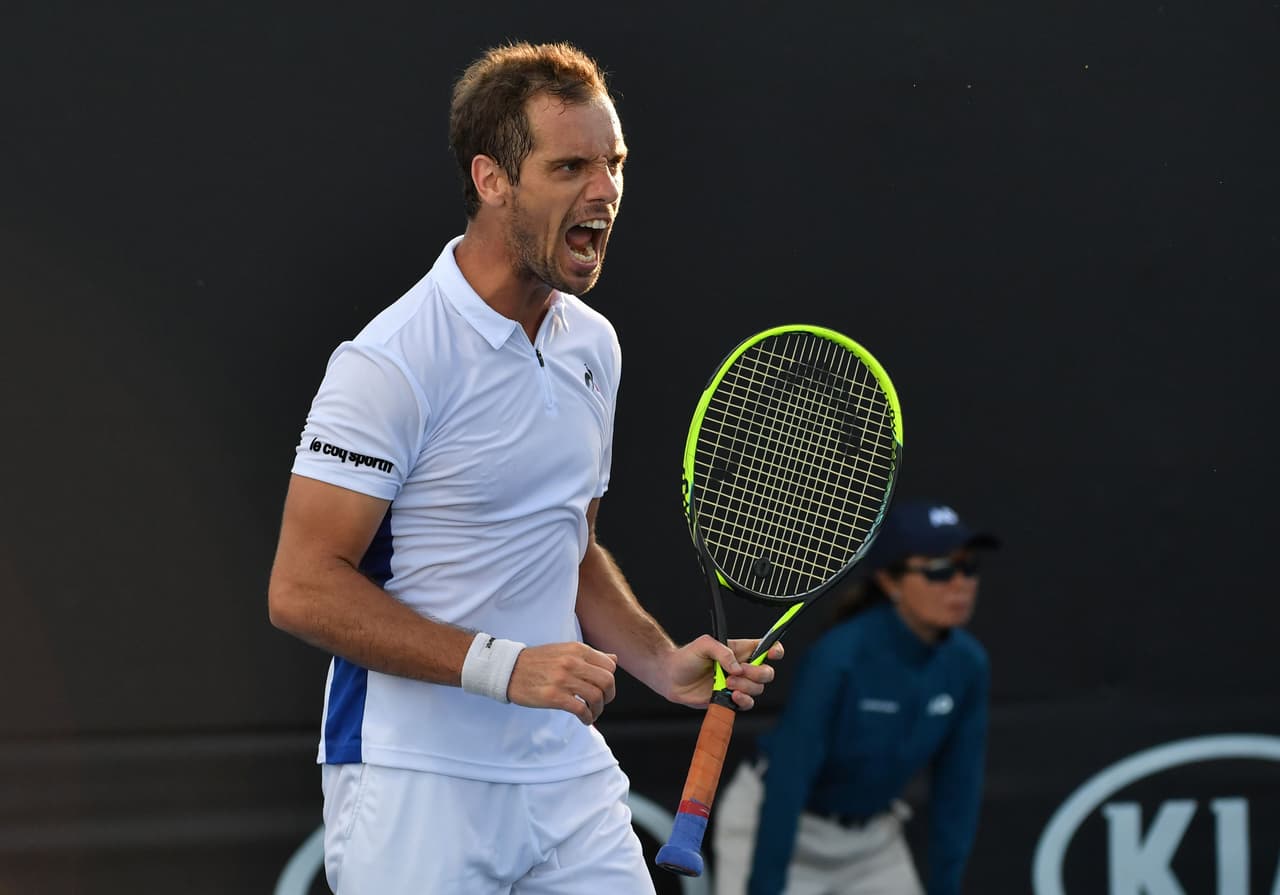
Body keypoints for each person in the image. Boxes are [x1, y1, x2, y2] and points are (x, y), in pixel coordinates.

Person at [266, 41, 782, 895]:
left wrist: (658, 660)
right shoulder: (389, 362)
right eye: (571, 165)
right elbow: (301, 588)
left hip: (561, 770)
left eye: (614, 164)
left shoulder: (594, 345)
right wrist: (506, 666)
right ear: (492, 178)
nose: (605, 192)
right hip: (414, 779)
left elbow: (567, 541)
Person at [711, 499, 999, 895]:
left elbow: (958, 788)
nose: (960, 582)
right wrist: (766, 887)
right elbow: (789, 780)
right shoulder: (838, 656)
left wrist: (946, 887)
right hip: (776, 829)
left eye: (969, 567)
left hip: (872, 843)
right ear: (889, 581)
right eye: (939, 569)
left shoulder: (969, 664)